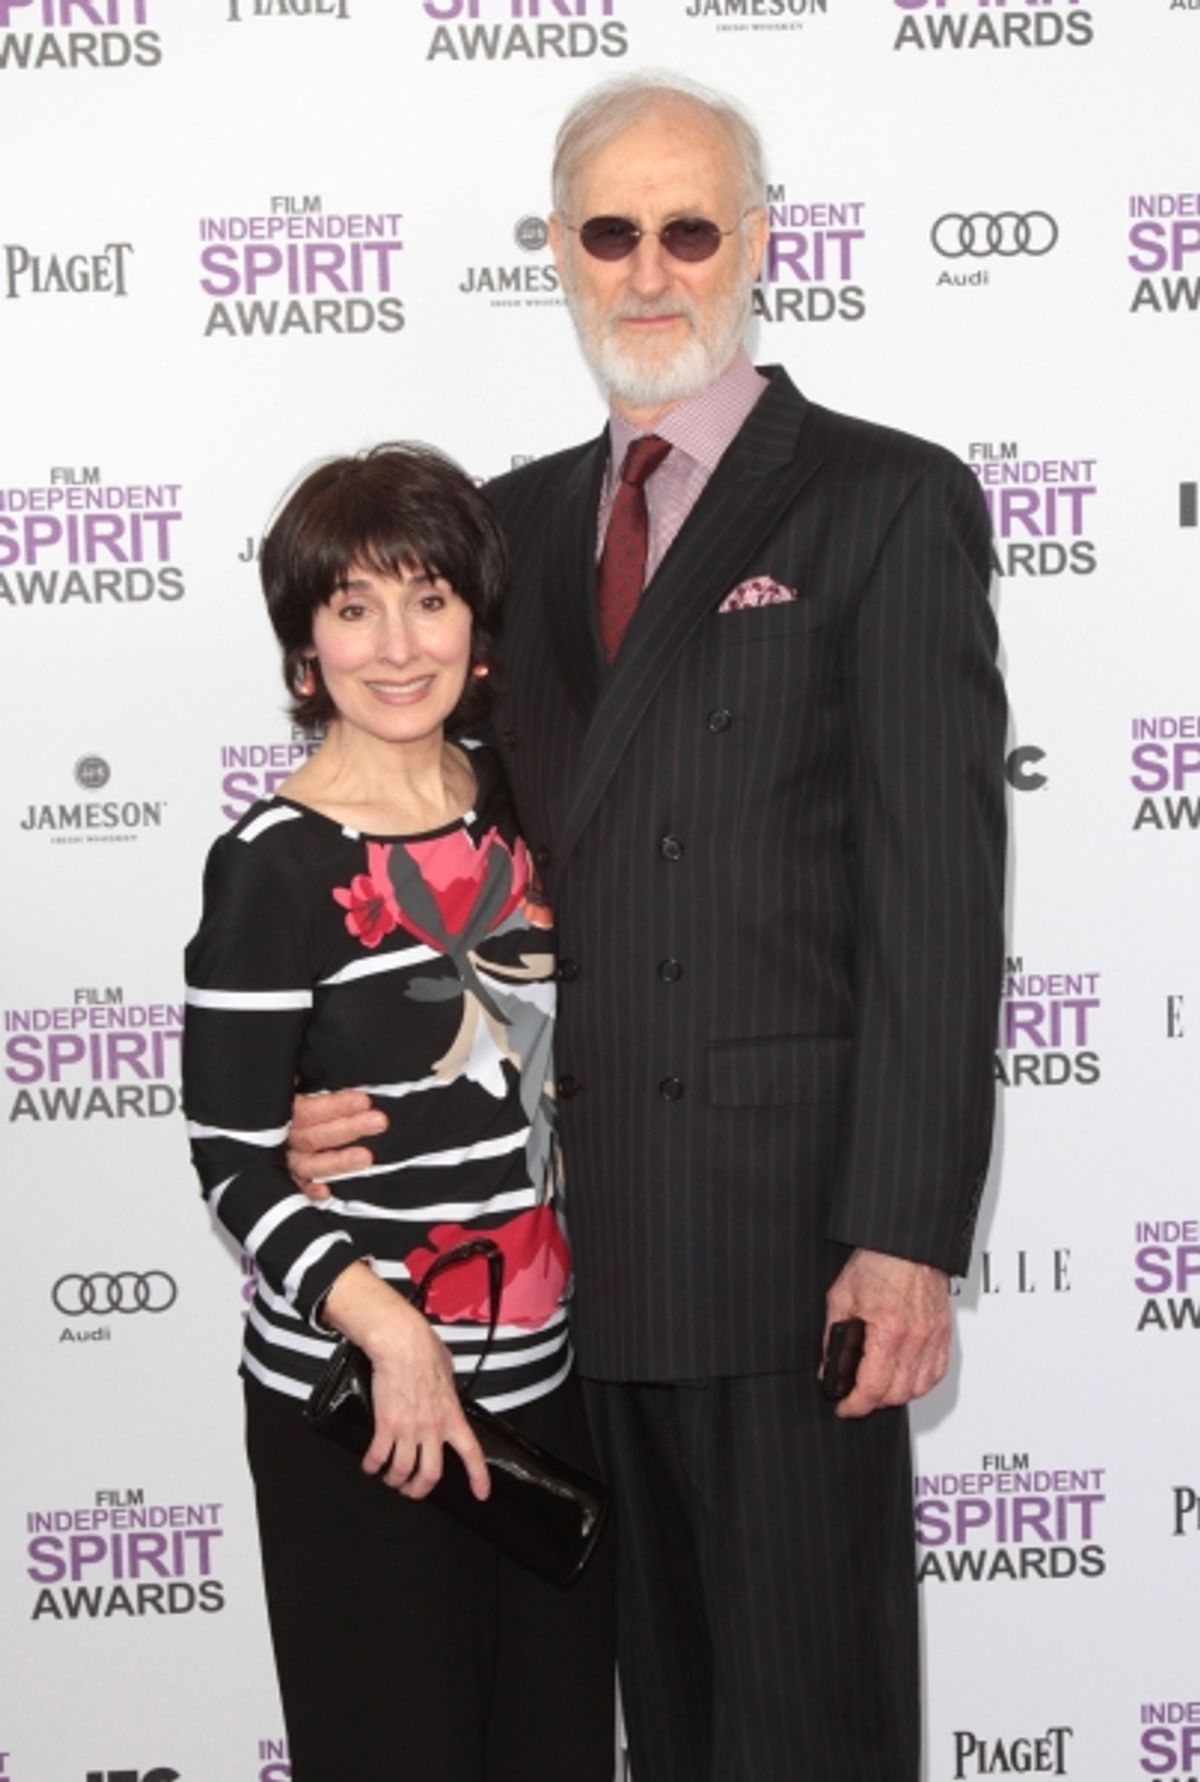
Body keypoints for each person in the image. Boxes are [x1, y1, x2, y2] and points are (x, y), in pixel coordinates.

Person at [287, 76, 1007, 1782]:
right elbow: (434, 851)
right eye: (612, 232)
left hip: (790, 1255)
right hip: (556, 1262)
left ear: (756, 242)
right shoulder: (510, 529)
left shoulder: (885, 500)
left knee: (806, 1729)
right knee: (650, 1731)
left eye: (691, 228)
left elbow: (939, 895)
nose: (653, 269)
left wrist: (904, 1233)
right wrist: (330, 1086)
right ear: (558, 250)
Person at [182, 444, 615, 1782]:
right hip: (364, 1409)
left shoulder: (526, 806)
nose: (396, 644)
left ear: (477, 627)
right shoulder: (271, 865)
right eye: (353, 606)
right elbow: (233, 1159)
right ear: (305, 646)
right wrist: (388, 1329)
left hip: (546, 1396)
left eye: (428, 599)